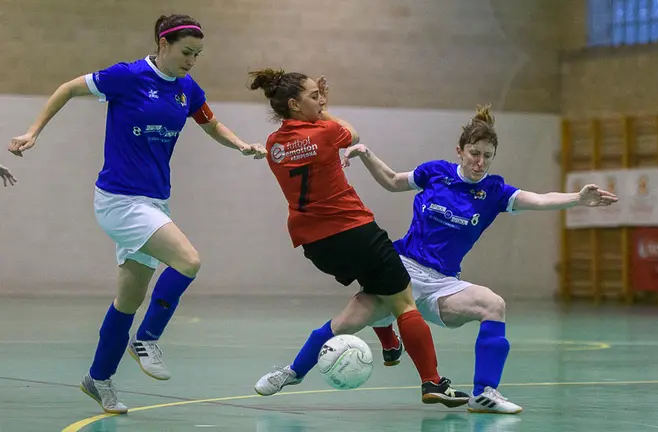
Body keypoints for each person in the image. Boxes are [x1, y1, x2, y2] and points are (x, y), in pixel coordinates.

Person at [7, 14, 266, 414]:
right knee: (188, 260)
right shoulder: (126, 77)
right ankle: (147, 338)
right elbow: (67, 89)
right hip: (119, 201)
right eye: (186, 52)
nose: (191, 60)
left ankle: (98, 378)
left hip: (155, 201)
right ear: (163, 44)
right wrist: (33, 131)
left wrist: (241, 144)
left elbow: (210, 124)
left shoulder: (187, 89)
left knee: (127, 300)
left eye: (197, 54)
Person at [341, 105, 618, 414]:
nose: (480, 162)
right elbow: (392, 180)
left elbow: (539, 200)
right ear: (460, 151)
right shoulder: (435, 172)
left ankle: (483, 393)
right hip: (404, 267)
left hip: (442, 283)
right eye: (474, 153)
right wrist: (365, 153)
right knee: (355, 306)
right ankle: (313, 364)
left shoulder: (494, 191)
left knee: (493, 305)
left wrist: (577, 199)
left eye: (487, 155)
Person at [248, 69, 469, 407]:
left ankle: (295, 371)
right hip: (355, 232)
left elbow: (308, 139)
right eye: (312, 96)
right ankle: (433, 382)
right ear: (293, 104)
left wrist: (314, 108)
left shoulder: (274, 146)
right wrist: (323, 113)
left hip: (317, 247)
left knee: (364, 302)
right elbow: (353, 133)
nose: (320, 101)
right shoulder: (326, 131)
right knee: (403, 303)